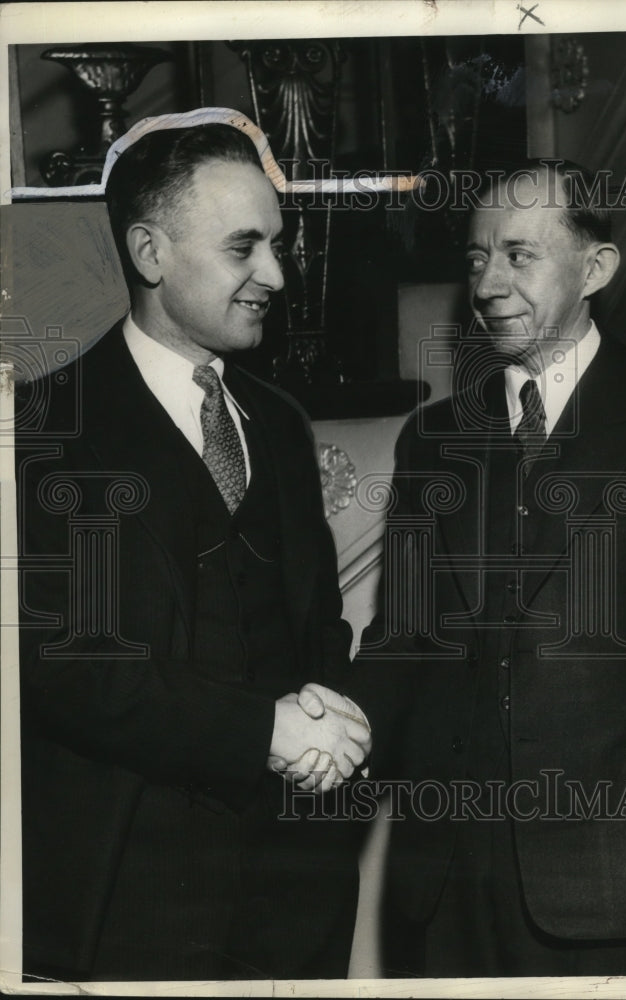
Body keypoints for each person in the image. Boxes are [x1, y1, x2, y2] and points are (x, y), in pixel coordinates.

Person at [339, 160, 626, 977]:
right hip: (442, 890)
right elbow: (402, 646)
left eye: (519, 255)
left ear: (594, 268)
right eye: (475, 257)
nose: (489, 282)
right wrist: (324, 728)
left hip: (613, 888)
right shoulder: (432, 439)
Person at [16, 111, 370, 982]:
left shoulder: (279, 423)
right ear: (150, 253)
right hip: (127, 889)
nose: (276, 276)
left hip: (295, 883)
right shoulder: (43, 429)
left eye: (277, 245)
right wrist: (265, 730)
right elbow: (66, 665)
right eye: (243, 248)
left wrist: (331, 717)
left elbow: (317, 619)